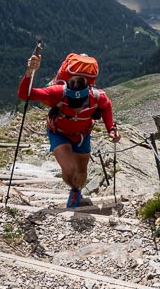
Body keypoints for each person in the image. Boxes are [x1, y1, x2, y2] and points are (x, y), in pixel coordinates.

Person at [18, 53, 120, 208]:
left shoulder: (97, 95)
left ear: (87, 92)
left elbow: (106, 107)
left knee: (82, 172)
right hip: (58, 132)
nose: (78, 107)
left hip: (82, 133)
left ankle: (77, 191)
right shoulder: (58, 92)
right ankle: (74, 189)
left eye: (81, 102)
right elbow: (24, 94)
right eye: (73, 103)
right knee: (69, 168)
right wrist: (30, 72)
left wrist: (111, 129)